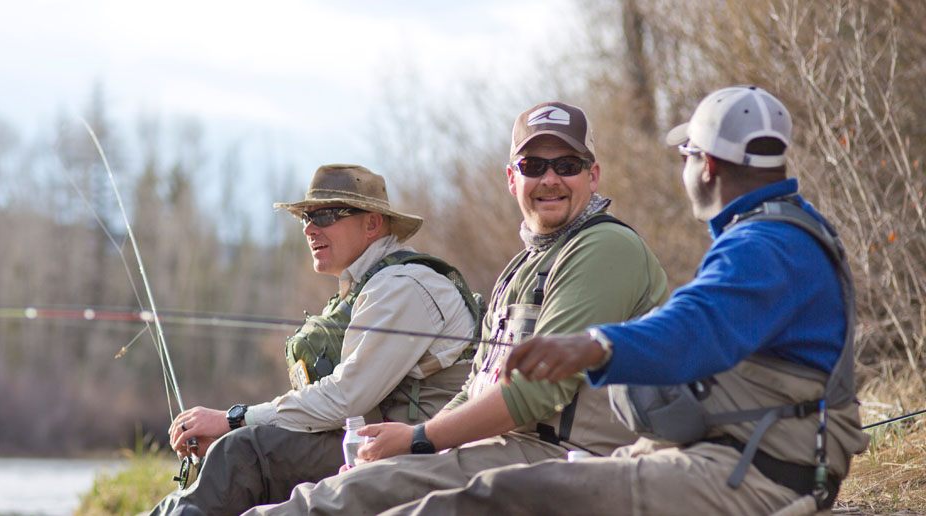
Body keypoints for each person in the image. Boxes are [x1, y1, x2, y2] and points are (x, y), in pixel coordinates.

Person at [383, 86, 870, 516]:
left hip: (757, 473)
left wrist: (594, 347)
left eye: (687, 155)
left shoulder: (766, 246)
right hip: (746, 457)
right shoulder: (781, 231)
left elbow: (695, 327)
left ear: (709, 166)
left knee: (499, 498)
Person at [244, 101, 669, 516]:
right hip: (504, 450)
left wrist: (420, 438)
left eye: (568, 165)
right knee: (336, 489)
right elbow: (476, 384)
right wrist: (413, 443)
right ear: (511, 178)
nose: (550, 179)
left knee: (333, 503)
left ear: (592, 175)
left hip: (571, 460)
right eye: (533, 166)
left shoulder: (604, 248)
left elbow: (537, 392)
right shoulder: (523, 265)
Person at [148, 164, 480, 516]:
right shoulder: (369, 286)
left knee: (246, 452)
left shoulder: (401, 287)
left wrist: (234, 420)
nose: (309, 228)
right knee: (240, 449)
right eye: (305, 217)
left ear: (372, 223)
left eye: (326, 215)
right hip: (374, 440)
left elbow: (345, 399)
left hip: (422, 451)